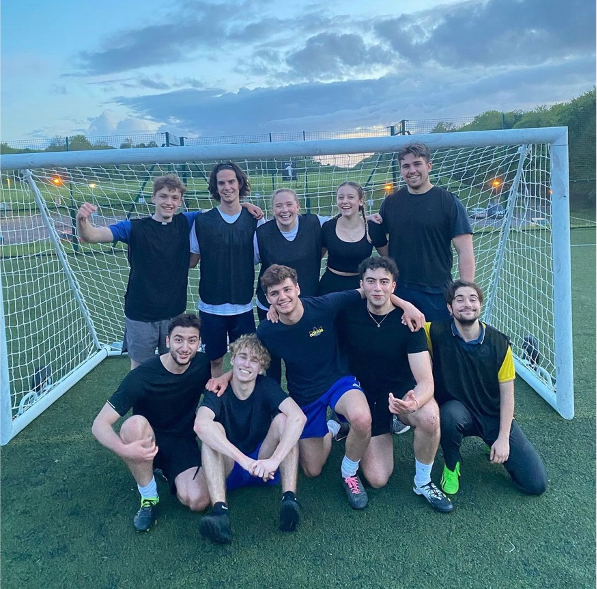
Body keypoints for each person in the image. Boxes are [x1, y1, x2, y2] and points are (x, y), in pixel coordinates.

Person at [257, 265, 423, 510]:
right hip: (304, 394)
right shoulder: (268, 331)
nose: (282, 297)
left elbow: (368, 290)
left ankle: (348, 472)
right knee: (312, 470)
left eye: (287, 290)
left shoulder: (323, 305)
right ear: (267, 299)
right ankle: (333, 429)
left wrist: (407, 305)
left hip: (338, 382)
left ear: (298, 289)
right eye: (274, 294)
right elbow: (268, 376)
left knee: (361, 417)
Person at [336, 256, 453, 513]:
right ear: (361, 285)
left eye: (384, 282)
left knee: (430, 416)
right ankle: (352, 425)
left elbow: (425, 381)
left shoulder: (408, 322)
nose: (377, 288)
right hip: (366, 399)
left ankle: (422, 482)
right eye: (371, 282)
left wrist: (414, 402)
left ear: (393, 286)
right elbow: (308, 310)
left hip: (402, 394)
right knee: (377, 479)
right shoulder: (347, 312)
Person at [426, 280, 547, 497]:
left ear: (480, 305)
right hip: (459, 414)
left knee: (535, 484)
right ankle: (452, 465)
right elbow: (406, 325)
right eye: (459, 299)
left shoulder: (499, 343)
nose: (467, 304)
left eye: (473, 299)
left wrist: (503, 437)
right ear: (449, 307)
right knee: (449, 414)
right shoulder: (434, 332)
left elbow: (508, 396)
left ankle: (491, 441)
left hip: (491, 415)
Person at [91, 314, 211, 532]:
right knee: (133, 425)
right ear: (167, 342)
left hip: (182, 441)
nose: (184, 347)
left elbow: (219, 387)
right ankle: (148, 497)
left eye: (191, 341)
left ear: (199, 343)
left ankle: (163, 470)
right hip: (147, 440)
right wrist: (124, 450)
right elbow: (99, 424)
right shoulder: (142, 376)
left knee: (198, 501)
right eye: (178, 339)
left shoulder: (202, 365)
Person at [76, 175, 198, 369]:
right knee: (140, 368)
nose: (169, 202)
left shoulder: (187, 221)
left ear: (180, 201)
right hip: (141, 312)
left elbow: (219, 213)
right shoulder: (134, 228)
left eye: (174, 198)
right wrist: (82, 220)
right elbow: (92, 235)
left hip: (174, 312)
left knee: (176, 364)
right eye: (163, 196)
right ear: (153, 198)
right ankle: (141, 401)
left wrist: (244, 206)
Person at [194, 334, 306, 544]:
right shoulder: (218, 390)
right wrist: (244, 461)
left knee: (285, 420)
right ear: (233, 359)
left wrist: (273, 461)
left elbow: (299, 416)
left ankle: (289, 501)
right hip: (232, 467)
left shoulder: (267, 386)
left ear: (261, 368)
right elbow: (200, 425)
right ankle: (220, 514)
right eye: (243, 357)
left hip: (264, 465)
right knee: (212, 430)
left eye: (254, 360)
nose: (247, 364)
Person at [379, 143, 475, 320]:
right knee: (402, 346)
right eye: (406, 166)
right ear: (400, 170)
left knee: (438, 346)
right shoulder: (391, 203)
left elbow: (465, 250)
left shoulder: (448, 202)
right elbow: (381, 243)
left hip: (437, 292)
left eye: (417, 164)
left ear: (429, 166)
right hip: (399, 291)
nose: (412, 170)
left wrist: (465, 292)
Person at [190, 162, 262, 377]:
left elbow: (261, 257)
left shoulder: (255, 219)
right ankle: (216, 401)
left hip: (243, 305)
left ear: (240, 183)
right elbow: (191, 259)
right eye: (221, 183)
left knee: (247, 358)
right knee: (215, 359)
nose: (227, 187)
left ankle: (244, 400)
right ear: (215, 187)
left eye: (231, 181)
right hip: (211, 306)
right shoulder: (202, 221)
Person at [319, 182, 388, 294]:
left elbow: (389, 258)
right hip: (330, 289)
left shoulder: (372, 228)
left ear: (361, 201)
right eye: (341, 197)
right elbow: (316, 259)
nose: (345, 201)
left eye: (350, 197)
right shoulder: (328, 227)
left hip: (360, 290)